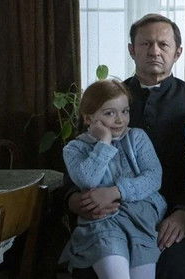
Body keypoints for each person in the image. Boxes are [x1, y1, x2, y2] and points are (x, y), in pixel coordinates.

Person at [68, 14, 185, 279]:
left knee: (176, 269)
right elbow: (79, 155)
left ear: (178, 52)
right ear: (132, 50)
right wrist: (75, 200)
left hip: (171, 216)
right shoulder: (107, 99)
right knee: (89, 271)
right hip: (107, 215)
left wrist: (184, 213)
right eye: (145, 44)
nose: (154, 51)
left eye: (163, 44)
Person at [60, 79, 167, 279]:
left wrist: (115, 192)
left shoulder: (137, 137)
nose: (120, 120)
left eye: (125, 111)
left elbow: (154, 177)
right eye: (110, 113)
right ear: (88, 118)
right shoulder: (74, 149)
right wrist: (104, 142)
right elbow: (88, 181)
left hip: (140, 219)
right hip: (103, 222)